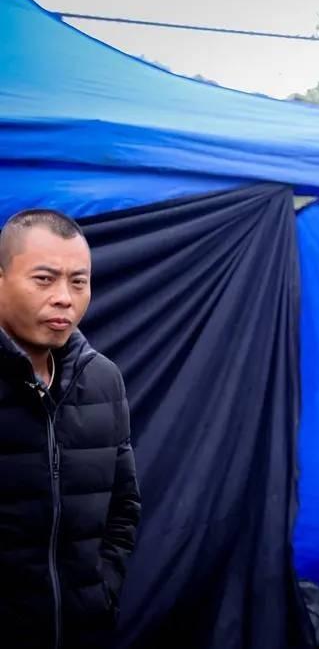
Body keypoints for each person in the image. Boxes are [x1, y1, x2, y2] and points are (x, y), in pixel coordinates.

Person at [0, 210, 141, 649]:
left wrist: (102, 593)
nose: (64, 298)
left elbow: (123, 507)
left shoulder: (102, 380)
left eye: (78, 282)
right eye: (44, 279)